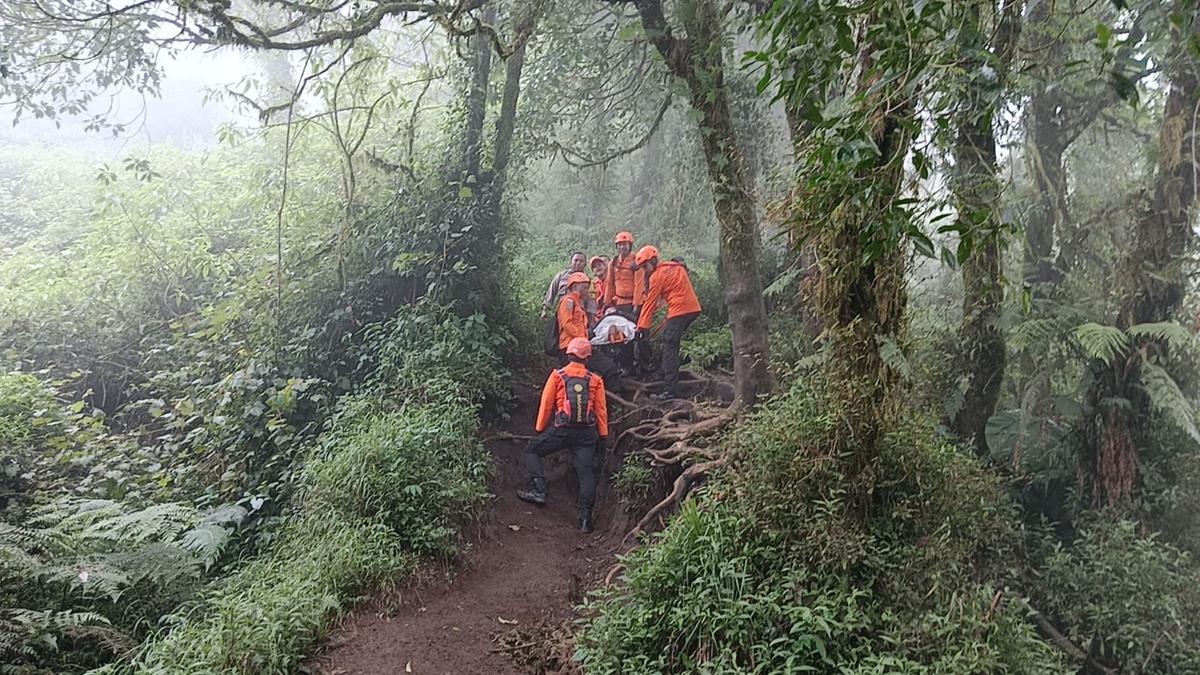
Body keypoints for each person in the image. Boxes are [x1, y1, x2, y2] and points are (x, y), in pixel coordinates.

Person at [517, 337, 608, 533]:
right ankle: (585, 520)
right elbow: (601, 410)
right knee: (586, 473)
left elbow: (547, 404)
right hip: (586, 434)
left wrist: (540, 428)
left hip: (562, 430)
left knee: (532, 450)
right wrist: (603, 434)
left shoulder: (558, 376)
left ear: (568, 354)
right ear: (588, 357)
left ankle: (539, 491)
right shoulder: (595, 380)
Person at [635, 245, 702, 401]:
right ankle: (665, 375)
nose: (645, 270)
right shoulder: (675, 267)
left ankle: (670, 390)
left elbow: (650, 303)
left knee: (670, 345)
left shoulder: (657, 276)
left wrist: (642, 327)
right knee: (670, 340)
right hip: (691, 309)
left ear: (652, 261)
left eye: (645, 266)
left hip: (680, 311)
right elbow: (675, 293)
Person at [605, 231, 646, 317]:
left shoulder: (636, 261)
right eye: (619, 245)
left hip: (632, 303)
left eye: (625, 244)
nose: (622, 247)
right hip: (618, 302)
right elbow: (610, 283)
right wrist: (607, 302)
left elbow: (639, 284)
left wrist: (636, 305)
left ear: (630, 245)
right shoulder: (614, 262)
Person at [556, 272, 592, 362]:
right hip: (569, 346)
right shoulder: (569, 301)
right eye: (585, 288)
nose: (587, 291)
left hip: (579, 345)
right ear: (575, 286)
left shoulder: (577, 303)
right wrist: (581, 338)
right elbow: (567, 323)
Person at [541, 252, 587, 318]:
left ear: (585, 264)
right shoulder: (561, 276)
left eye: (581, 261)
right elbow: (551, 292)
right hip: (561, 314)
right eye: (576, 260)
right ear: (571, 262)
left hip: (578, 316)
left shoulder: (587, 280)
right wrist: (545, 310)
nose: (578, 263)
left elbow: (590, 302)